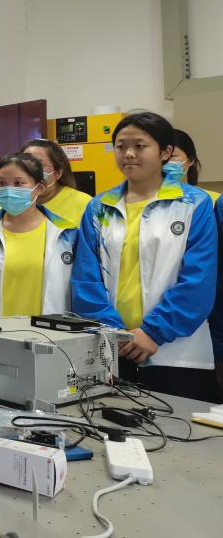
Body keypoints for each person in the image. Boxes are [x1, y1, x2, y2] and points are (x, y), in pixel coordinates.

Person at [70, 111, 218, 401]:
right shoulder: (99, 207)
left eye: (139, 146)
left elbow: (198, 280)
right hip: (112, 349)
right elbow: (85, 280)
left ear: (165, 152)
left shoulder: (193, 204)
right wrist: (115, 333)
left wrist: (153, 332)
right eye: (121, 146)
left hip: (176, 353)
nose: (128, 153)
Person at [0, 153, 77, 321]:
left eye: (18, 183)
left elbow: (79, 290)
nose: (9, 189)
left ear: (40, 187)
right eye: (1, 183)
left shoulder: (67, 234)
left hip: (50, 333)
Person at [21, 139, 91, 225]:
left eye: (39, 165)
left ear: (58, 173)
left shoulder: (84, 204)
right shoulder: (14, 202)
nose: (29, 171)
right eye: (24, 164)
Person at [169, 129, 220, 206]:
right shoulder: (149, 200)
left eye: (172, 156)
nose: (164, 160)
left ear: (190, 160)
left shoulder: (212, 200)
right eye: (159, 155)